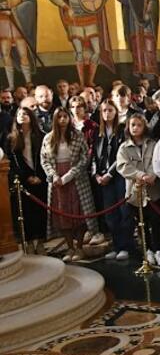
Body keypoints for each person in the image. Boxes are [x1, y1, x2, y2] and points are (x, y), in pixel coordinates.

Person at [40, 108, 99, 262]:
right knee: (62, 214)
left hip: (76, 178)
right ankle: (70, 247)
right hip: (56, 180)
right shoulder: (48, 138)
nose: (62, 119)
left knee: (79, 213)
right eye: (59, 117)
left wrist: (68, 176)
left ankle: (79, 247)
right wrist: (53, 175)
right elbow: (44, 160)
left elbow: (85, 158)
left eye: (65, 116)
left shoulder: (77, 135)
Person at [116, 113, 160, 267]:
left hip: (153, 191)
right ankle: (148, 250)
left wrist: (151, 175)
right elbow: (123, 166)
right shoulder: (124, 147)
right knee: (141, 223)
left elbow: (157, 160)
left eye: (139, 125)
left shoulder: (152, 144)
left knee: (156, 221)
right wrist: (141, 175)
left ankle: (159, 250)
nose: (136, 128)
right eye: (133, 125)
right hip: (135, 192)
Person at [94, 99, 131, 260]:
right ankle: (116, 246)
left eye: (110, 110)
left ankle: (126, 247)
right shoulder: (98, 132)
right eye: (104, 111)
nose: (107, 113)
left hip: (119, 176)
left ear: (115, 112)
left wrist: (109, 174)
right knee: (110, 215)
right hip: (102, 177)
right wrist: (96, 174)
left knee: (124, 212)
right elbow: (94, 155)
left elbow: (121, 155)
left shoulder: (122, 130)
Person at [6, 106, 47, 254]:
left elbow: (45, 158)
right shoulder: (11, 138)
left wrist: (40, 177)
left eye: (25, 114)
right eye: (19, 114)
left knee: (41, 211)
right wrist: (27, 177)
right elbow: (13, 162)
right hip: (23, 182)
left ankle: (41, 242)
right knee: (27, 213)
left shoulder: (41, 136)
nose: (22, 116)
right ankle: (29, 241)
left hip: (41, 179)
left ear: (31, 117)